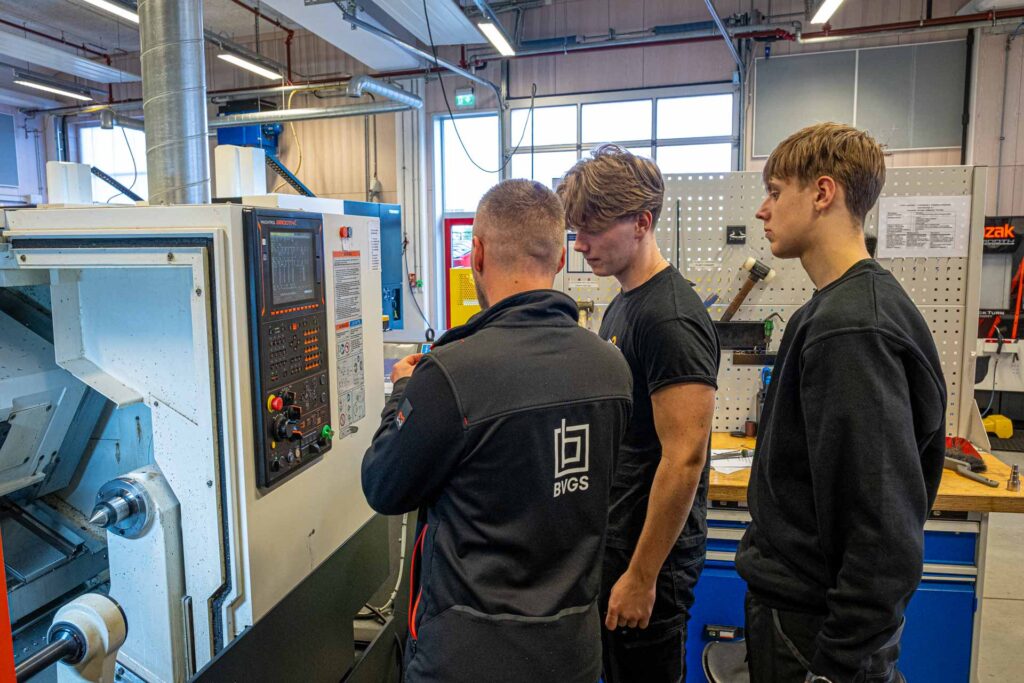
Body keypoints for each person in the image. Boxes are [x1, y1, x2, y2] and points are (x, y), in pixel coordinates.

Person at [361, 179, 633, 683]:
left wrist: (403, 391)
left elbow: (383, 486)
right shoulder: (611, 367)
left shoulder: (450, 374)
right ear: (557, 260)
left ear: (476, 254)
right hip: (572, 652)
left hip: (470, 657)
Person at [736, 122, 947, 683]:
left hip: (815, 630)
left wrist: (841, 666)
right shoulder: (835, 310)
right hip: (801, 613)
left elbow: (882, 531)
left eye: (776, 192)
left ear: (823, 192)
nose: (763, 210)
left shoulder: (852, 326)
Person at [558, 145, 721, 683]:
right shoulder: (625, 302)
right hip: (620, 544)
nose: (580, 246)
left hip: (650, 564)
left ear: (642, 223)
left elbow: (685, 458)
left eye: (591, 231)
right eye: (574, 232)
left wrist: (642, 576)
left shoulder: (669, 317)